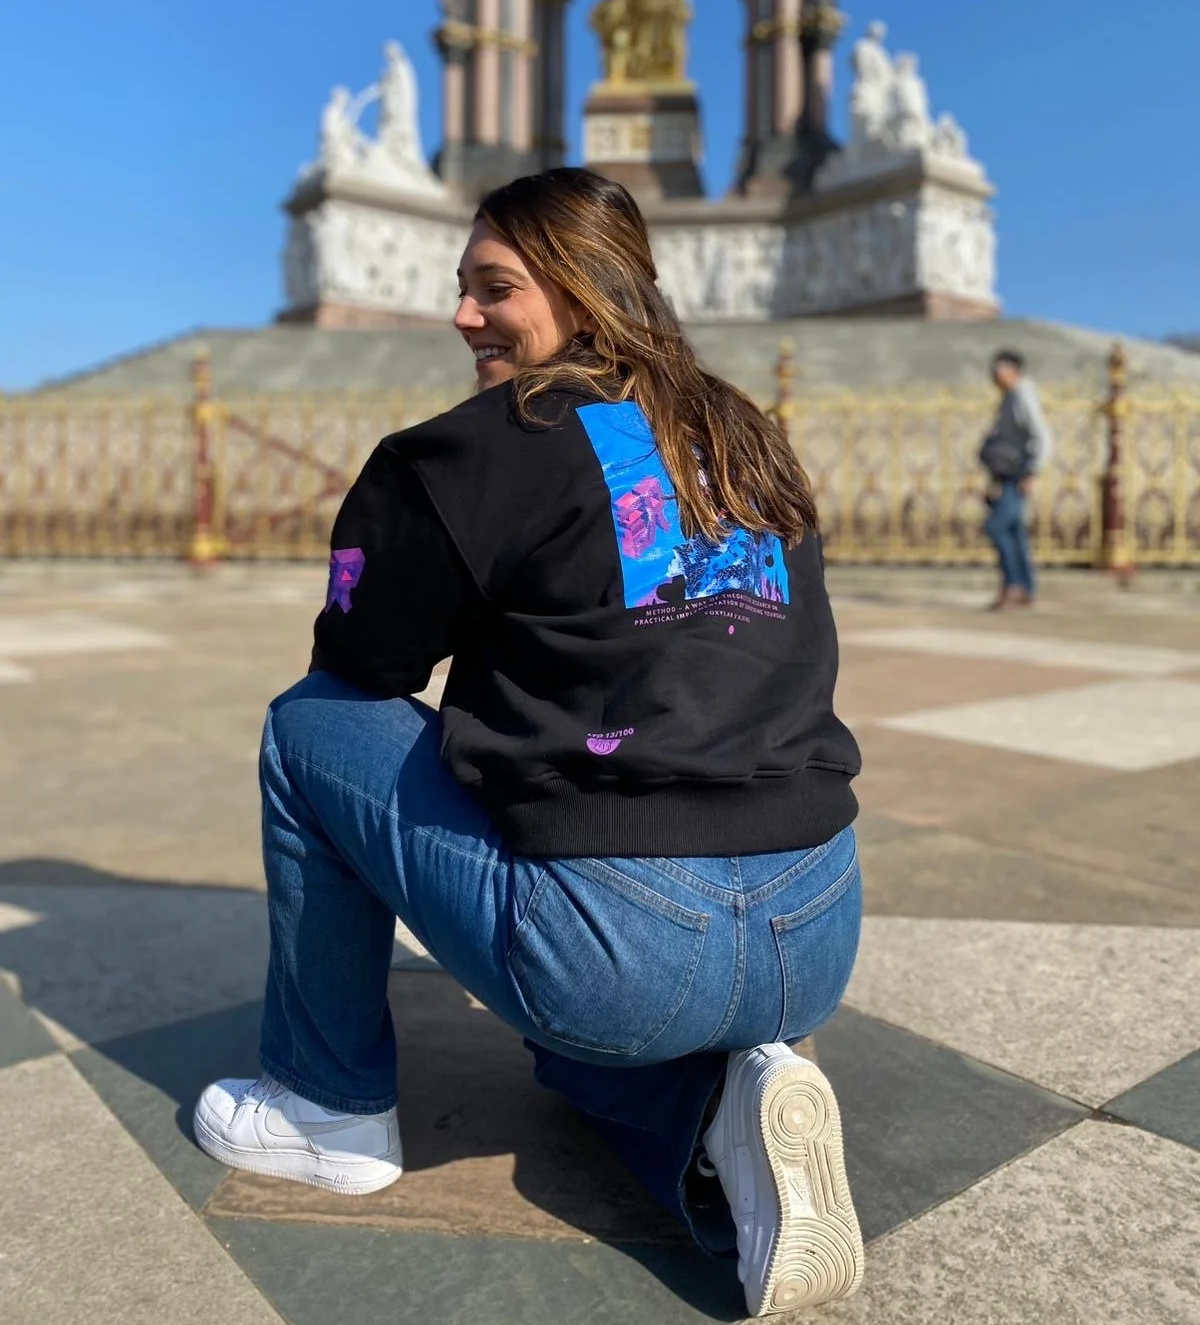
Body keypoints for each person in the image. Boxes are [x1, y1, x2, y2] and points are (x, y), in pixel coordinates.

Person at [192, 169, 865, 1317]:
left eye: (494, 287)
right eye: (462, 286)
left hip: (625, 949)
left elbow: (362, 666)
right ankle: (729, 1106)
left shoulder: (483, 446)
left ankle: (325, 1105)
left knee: (306, 724)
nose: (462, 314)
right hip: (816, 926)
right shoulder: (746, 434)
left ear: (584, 290)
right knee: (578, 1047)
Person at [979, 349, 1053, 609]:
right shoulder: (1010, 397)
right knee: (1014, 530)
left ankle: (1014, 584)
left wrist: (1033, 471)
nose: (995, 374)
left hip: (1018, 473)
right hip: (1007, 474)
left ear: (1014, 370)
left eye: (1000, 368)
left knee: (998, 527)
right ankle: (1024, 587)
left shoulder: (1022, 394)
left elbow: (1041, 434)